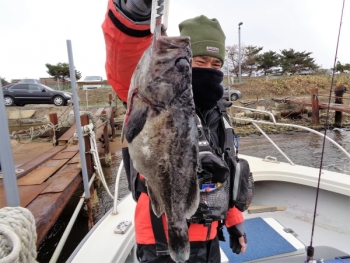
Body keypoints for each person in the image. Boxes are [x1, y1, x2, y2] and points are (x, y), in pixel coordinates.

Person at [102, 0, 248, 262]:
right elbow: (124, 59)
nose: (209, 70)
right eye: (200, 61)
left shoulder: (216, 112)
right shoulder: (149, 94)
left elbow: (225, 168)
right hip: (158, 240)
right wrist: (134, 14)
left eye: (216, 65)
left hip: (209, 237)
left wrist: (234, 218)